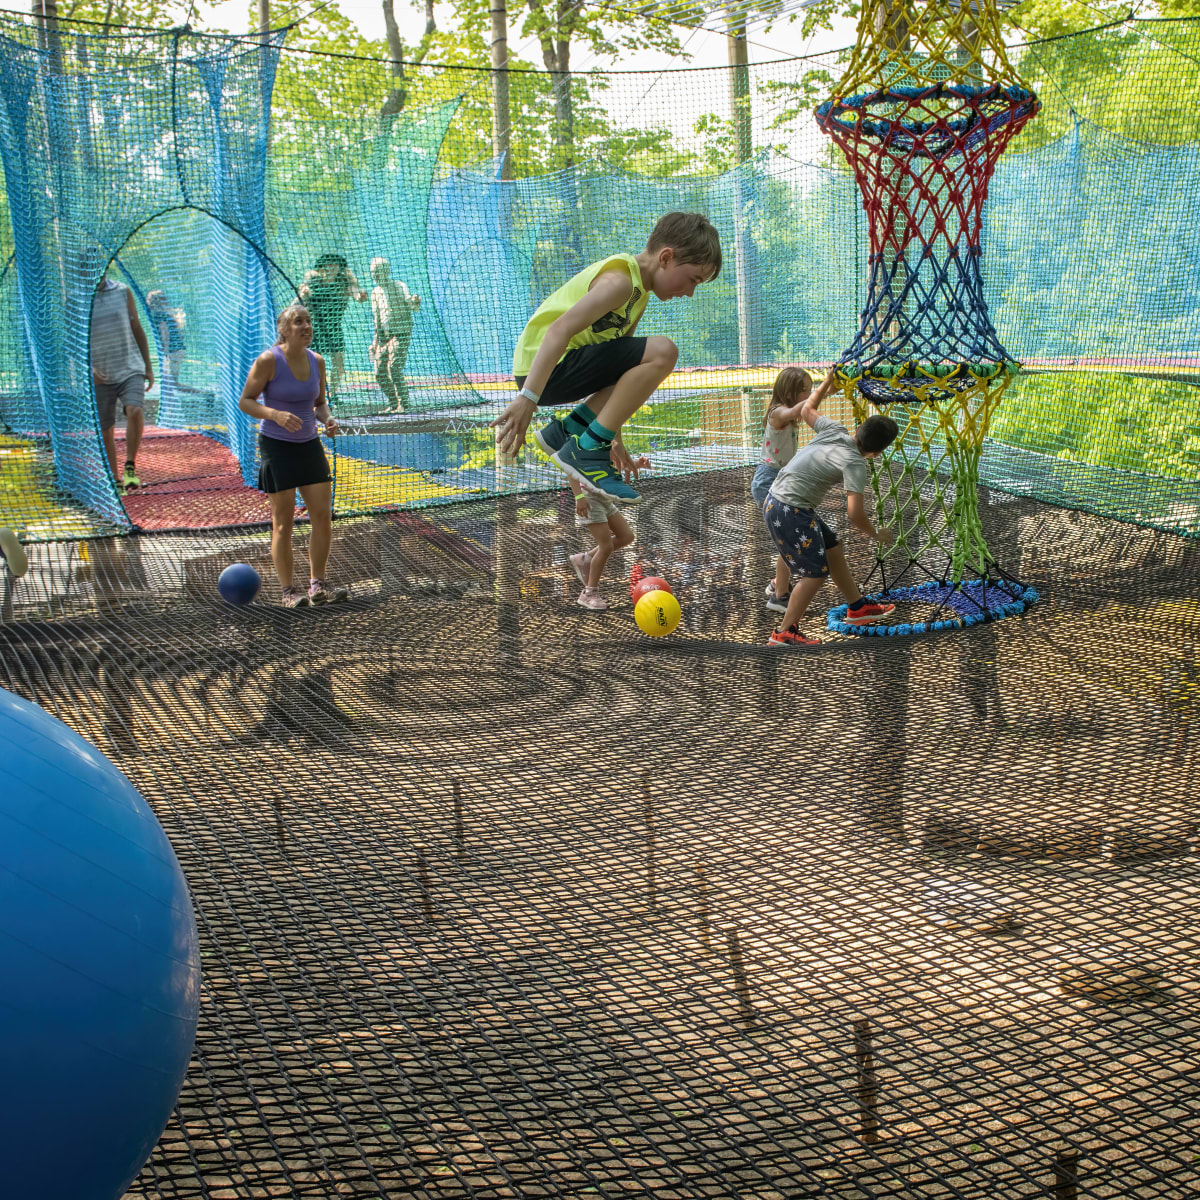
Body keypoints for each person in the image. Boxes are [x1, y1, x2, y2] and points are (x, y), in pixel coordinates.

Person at [493, 211, 722, 506]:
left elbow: (623, 374)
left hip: (555, 371)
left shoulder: (639, 294)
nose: (690, 292)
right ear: (666, 257)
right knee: (665, 351)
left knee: (645, 361)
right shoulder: (620, 282)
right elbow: (559, 329)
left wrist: (613, 437)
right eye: (692, 279)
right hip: (546, 368)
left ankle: (566, 433)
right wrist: (528, 397)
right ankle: (586, 450)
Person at [762, 370, 901, 647]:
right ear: (877, 453)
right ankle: (784, 633)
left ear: (858, 428)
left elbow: (808, 409)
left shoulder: (835, 429)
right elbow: (854, 514)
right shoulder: (855, 463)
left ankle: (858, 607)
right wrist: (875, 534)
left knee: (832, 546)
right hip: (789, 510)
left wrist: (827, 381)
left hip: (780, 501)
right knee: (815, 573)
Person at [238, 304, 348, 608]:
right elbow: (246, 401)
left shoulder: (318, 361)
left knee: (323, 517)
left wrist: (328, 419)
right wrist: (275, 414)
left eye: (309, 322)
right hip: (277, 446)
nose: (306, 326)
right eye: (299, 322)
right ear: (284, 330)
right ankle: (288, 592)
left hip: (309, 446)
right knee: (283, 522)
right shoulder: (268, 361)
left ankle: (318, 586)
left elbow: (320, 402)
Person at [87, 255, 154, 492]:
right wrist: (88, 370)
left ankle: (130, 466)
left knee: (134, 410)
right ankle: (114, 478)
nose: (94, 271)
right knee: (106, 427)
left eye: (98, 266)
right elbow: (72, 343)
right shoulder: (76, 299)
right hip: (100, 374)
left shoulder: (122, 291)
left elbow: (137, 328)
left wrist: (148, 366)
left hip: (130, 368)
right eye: (87, 267)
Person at [751, 366, 812, 615]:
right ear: (790, 392)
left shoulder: (787, 413)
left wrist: (831, 386)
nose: (809, 394)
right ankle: (779, 596)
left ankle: (779, 582)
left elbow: (804, 406)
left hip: (781, 480)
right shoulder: (777, 413)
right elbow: (798, 409)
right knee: (785, 540)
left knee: (787, 537)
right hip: (768, 481)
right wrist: (819, 394)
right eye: (804, 391)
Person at [566, 453, 649, 610]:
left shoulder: (610, 441)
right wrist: (579, 497)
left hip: (605, 497)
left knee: (626, 536)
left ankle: (585, 558)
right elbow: (570, 469)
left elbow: (613, 465)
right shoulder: (588, 440)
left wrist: (637, 464)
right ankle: (589, 593)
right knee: (606, 546)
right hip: (590, 497)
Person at [298, 253, 367, 402]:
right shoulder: (314, 281)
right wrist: (304, 294)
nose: (330, 268)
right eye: (327, 265)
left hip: (333, 328)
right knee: (314, 364)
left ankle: (332, 394)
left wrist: (360, 295)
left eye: (334, 265)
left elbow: (356, 293)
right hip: (315, 330)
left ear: (339, 267)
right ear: (321, 268)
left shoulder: (343, 284)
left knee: (339, 363)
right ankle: (315, 394)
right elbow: (302, 295)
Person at [368, 257, 420, 413]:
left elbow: (411, 305)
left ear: (387, 271)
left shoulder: (399, 286)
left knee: (394, 367)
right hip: (384, 336)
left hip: (400, 332)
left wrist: (415, 302)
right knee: (379, 373)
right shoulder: (375, 292)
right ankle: (393, 402)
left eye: (378, 272)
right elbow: (376, 318)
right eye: (373, 272)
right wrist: (375, 342)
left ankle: (403, 403)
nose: (375, 275)